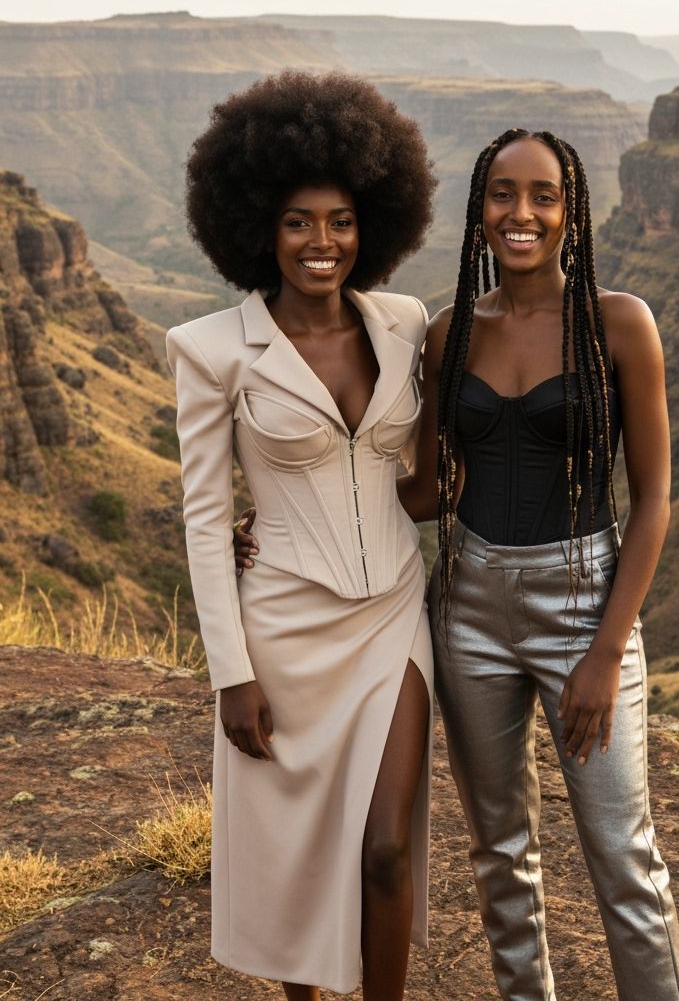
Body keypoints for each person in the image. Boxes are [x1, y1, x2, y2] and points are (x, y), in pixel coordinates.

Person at [236, 128, 679, 1000]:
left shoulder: (620, 324)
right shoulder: (449, 333)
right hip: (469, 607)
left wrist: (606, 651)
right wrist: (284, 517)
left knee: (624, 856)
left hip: (582, 603)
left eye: (543, 196)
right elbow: (420, 489)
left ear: (572, 211)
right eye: (503, 194)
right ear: (480, 209)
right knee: (500, 853)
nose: (522, 213)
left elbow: (655, 499)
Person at [168, 70, 436, 1001]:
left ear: (374, 226)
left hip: (394, 613)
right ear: (258, 228)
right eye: (298, 222)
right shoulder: (211, 350)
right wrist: (230, 675)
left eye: (342, 222)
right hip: (281, 628)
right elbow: (206, 518)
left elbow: (416, 476)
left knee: (387, 847)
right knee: (294, 849)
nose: (323, 242)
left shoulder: (404, 324)